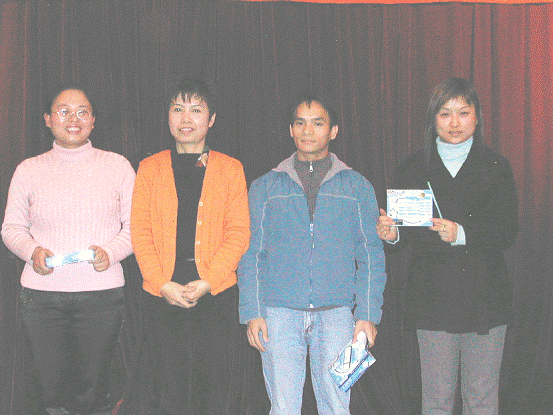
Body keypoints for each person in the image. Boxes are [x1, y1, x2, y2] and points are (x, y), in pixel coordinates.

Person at [376, 77, 519, 414]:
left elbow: (507, 231)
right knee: (436, 400)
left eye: (463, 113)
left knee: (481, 398)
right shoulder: (413, 167)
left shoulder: (496, 167)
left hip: (484, 297)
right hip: (433, 298)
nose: (455, 123)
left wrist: (463, 234)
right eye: (445, 113)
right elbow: (403, 236)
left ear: (477, 117)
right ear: (433, 119)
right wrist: (391, 234)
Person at [238, 94, 387, 415]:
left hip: (338, 316)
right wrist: (253, 311)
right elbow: (251, 253)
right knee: (283, 408)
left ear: (333, 130)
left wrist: (367, 315)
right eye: (300, 123)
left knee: (337, 407)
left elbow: (371, 255)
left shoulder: (357, 187)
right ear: (290, 129)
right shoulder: (265, 187)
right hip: (278, 315)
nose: (308, 131)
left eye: (318, 123)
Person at [1, 85, 136, 415]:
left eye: (82, 112)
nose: (73, 119)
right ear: (48, 119)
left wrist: (111, 252)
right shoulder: (28, 169)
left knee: (96, 390)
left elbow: (137, 228)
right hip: (42, 299)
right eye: (63, 111)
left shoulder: (117, 166)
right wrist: (32, 252)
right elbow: (11, 229)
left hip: (101, 297)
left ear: (93, 120)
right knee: (50, 391)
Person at [130, 77, 250, 415]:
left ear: (211, 119)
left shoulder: (230, 169)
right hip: (162, 291)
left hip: (215, 292)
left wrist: (209, 280)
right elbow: (140, 231)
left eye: (196, 110)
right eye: (177, 109)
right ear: (168, 117)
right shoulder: (150, 168)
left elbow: (238, 232)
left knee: (213, 390)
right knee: (166, 388)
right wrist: (161, 283)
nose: (186, 118)